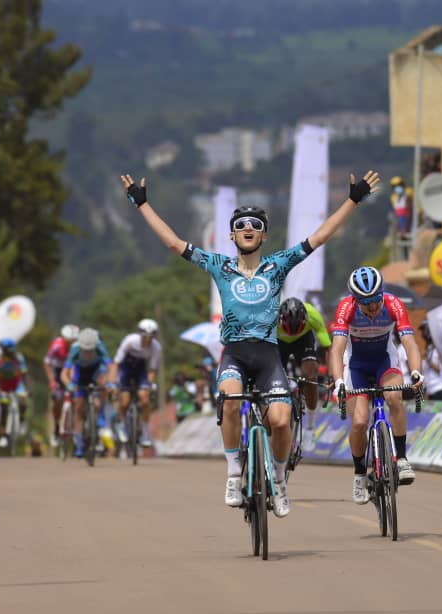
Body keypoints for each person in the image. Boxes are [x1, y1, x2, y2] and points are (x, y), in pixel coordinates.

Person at [120, 167, 380, 519]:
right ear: (231, 235)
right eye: (241, 225)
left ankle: (280, 479)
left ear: (264, 235)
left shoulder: (277, 265)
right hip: (235, 355)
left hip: (268, 355)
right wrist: (142, 205)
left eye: (255, 225)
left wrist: (352, 200)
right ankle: (232, 474)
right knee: (228, 401)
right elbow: (173, 242)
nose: (248, 229)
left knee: (282, 420)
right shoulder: (220, 266)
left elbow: (319, 237)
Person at [329, 266, 424, 505]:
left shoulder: (394, 304)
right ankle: (360, 473)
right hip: (356, 366)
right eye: (365, 302)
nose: (372, 307)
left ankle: (401, 459)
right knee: (360, 422)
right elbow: (337, 350)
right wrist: (339, 381)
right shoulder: (346, 308)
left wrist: (416, 372)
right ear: (355, 299)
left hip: (384, 360)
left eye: (375, 300)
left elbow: (410, 344)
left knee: (394, 398)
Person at [277, 297, 331, 435]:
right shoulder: (269, 317)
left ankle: (310, 426)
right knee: (273, 374)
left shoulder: (313, 314)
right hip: (278, 341)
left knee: (311, 375)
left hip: (303, 341)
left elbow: (327, 348)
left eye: (296, 329)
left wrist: (330, 377)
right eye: (289, 330)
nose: (292, 333)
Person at [109, 318, 162, 448]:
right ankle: (120, 423)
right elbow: (116, 363)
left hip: (140, 370)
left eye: (151, 337)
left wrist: (149, 384)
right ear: (140, 334)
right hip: (125, 369)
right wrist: (112, 381)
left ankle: (145, 432)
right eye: (145, 337)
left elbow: (152, 369)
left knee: (145, 399)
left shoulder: (156, 347)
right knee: (125, 401)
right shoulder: (130, 341)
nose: (148, 340)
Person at [61, 327, 113, 457]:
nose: (88, 353)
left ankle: (99, 410)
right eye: (85, 350)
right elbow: (64, 373)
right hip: (81, 372)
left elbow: (111, 367)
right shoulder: (75, 349)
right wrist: (69, 385)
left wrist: (110, 383)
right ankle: (79, 445)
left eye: (91, 350)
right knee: (78, 407)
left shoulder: (100, 346)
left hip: (96, 370)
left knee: (103, 382)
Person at [43, 324, 79, 446]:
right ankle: (57, 428)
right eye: (68, 341)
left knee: (77, 399)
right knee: (57, 399)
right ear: (63, 338)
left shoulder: (77, 346)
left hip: (71, 370)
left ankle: (76, 429)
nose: (70, 344)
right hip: (58, 371)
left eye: (73, 341)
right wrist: (52, 381)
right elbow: (47, 363)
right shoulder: (57, 345)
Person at [0, 338, 30, 448]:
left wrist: (28, 388)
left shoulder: (19, 358)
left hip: (18, 385)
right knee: (3, 408)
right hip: (3, 386)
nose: (12, 351)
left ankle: (22, 420)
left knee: (22, 403)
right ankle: (4, 435)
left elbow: (24, 373)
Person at [419, 320, 442, 400]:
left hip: (439, 389)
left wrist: (428, 361)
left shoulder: (437, 350)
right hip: (430, 390)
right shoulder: (428, 349)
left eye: (424, 330)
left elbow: (441, 370)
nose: (423, 334)